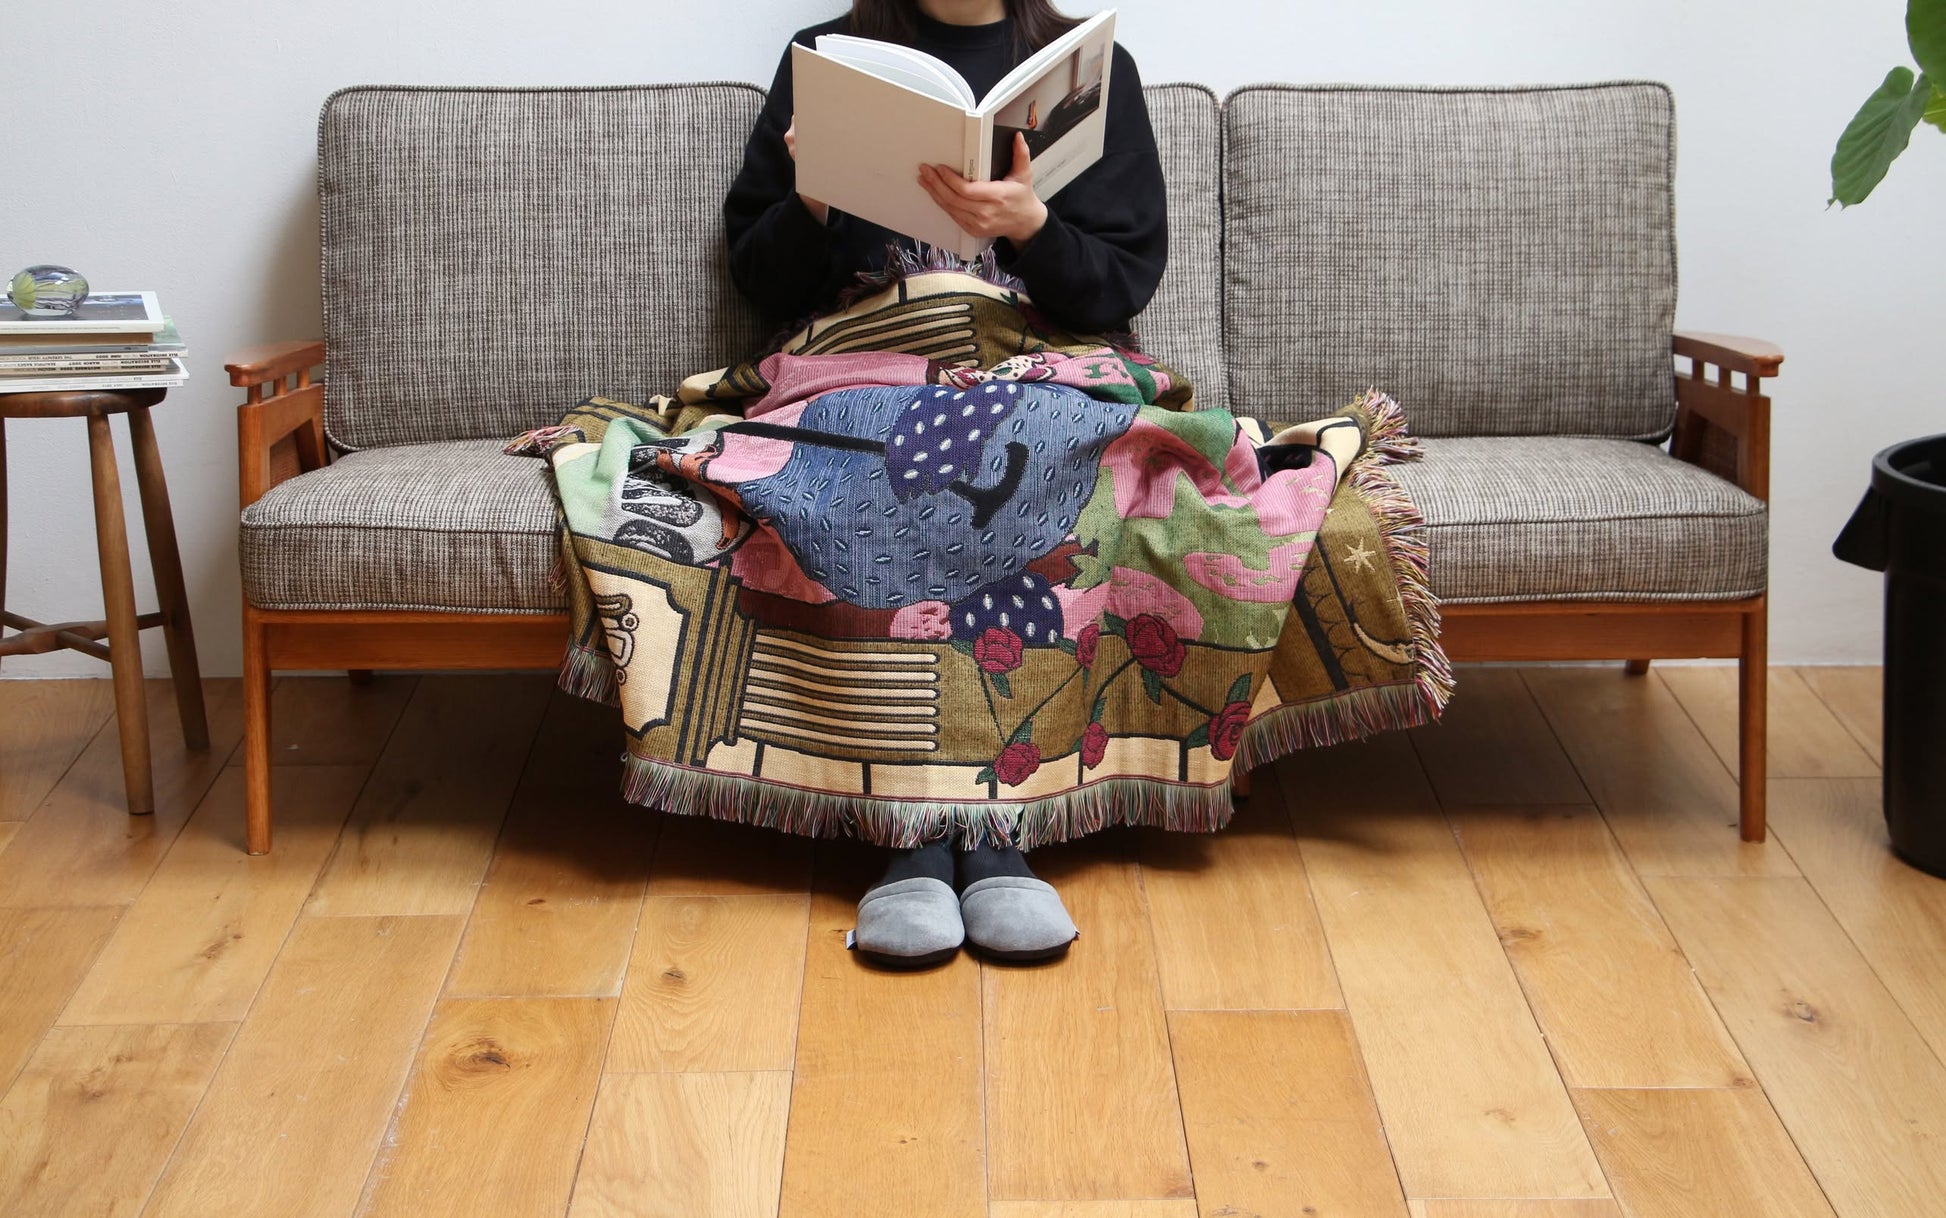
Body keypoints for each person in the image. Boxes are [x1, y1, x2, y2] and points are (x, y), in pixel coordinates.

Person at [723, 0, 1169, 968]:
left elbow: (1120, 287)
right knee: (876, 449)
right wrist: (810, 197)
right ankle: (913, 839)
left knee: (1022, 447)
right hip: (865, 359)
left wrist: (1035, 228)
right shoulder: (823, 61)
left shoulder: (1089, 73)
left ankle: (998, 837)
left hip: (1032, 361)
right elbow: (757, 276)